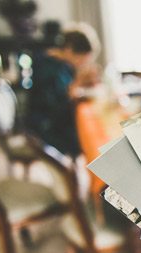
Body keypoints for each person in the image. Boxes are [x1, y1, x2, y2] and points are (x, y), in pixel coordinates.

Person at [26, 23, 100, 158]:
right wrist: (76, 86)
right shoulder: (46, 67)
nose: (82, 63)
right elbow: (55, 107)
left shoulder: (62, 65)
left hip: (56, 121)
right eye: (81, 58)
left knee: (92, 126)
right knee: (91, 136)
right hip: (46, 128)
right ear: (69, 49)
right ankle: (80, 172)